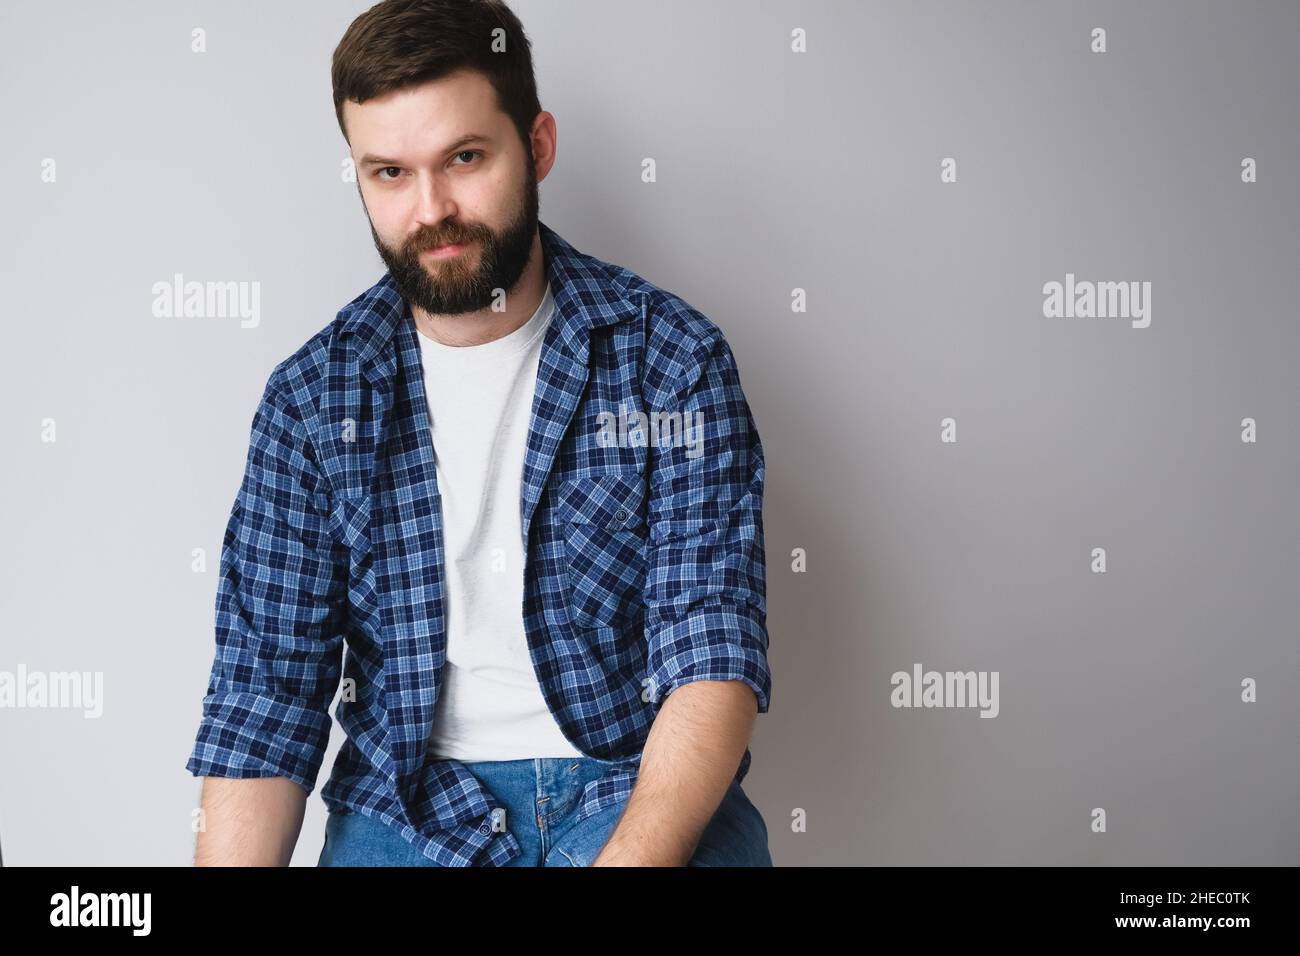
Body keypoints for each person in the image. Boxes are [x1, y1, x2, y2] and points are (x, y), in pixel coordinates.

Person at [185, 0, 772, 867]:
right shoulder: (313, 399)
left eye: (464, 158)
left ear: (536, 146)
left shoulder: (671, 361)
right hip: (411, 807)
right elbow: (265, 702)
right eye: (389, 173)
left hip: (633, 783)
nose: (432, 210)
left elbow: (711, 653)